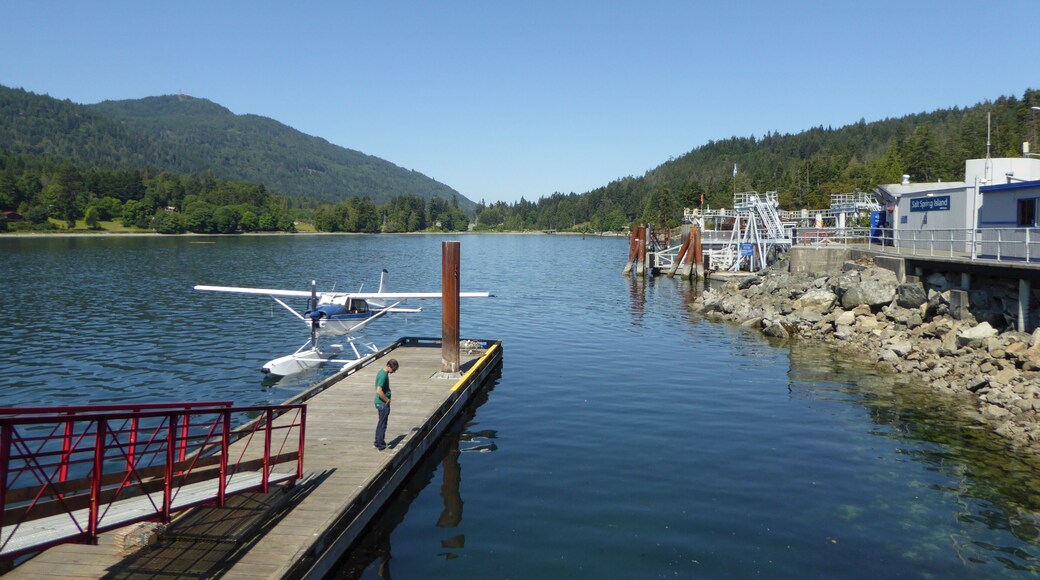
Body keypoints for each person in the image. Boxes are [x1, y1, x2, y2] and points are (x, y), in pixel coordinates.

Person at [373, 358, 399, 450]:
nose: (393, 372)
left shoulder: (382, 372)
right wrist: (387, 400)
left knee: (381, 423)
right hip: (382, 404)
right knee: (383, 424)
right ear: (388, 366)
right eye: (393, 369)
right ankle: (380, 444)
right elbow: (379, 391)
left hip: (380, 403)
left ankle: (378, 441)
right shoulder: (383, 375)